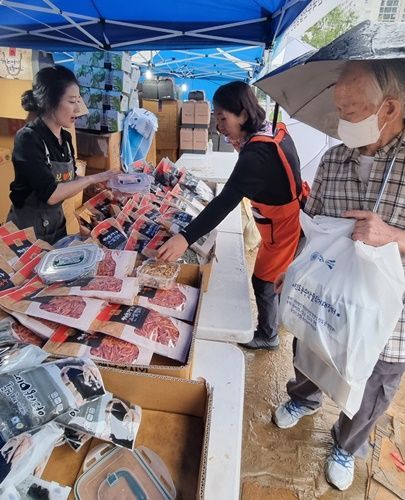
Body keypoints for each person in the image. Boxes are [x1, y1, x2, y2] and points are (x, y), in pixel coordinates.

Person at [273, 60, 405, 491]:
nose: (342, 122)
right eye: (339, 110)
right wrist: (290, 270)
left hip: (391, 310)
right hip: (328, 291)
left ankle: (346, 445)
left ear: (388, 109)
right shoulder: (333, 160)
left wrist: (393, 236)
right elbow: (311, 223)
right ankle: (302, 400)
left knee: (375, 385)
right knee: (312, 348)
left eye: (351, 112)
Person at [158, 81, 305, 350]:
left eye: (223, 117)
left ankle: (269, 334)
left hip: (284, 224)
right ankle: (278, 320)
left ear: (244, 115)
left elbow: (225, 201)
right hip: (284, 215)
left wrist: (185, 237)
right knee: (280, 275)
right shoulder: (271, 131)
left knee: (263, 281)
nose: (217, 124)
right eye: (215, 115)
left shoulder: (257, 153)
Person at [8, 65, 115, 244]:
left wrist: (94, 187)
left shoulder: (64, 138)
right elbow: (51, 194)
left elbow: (70, 178)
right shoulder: (28, 138)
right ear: (50, 102)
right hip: (27, 234)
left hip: (57, 228)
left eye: (78, 101)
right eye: (72, 102)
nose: (78, 109)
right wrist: (92, 179)